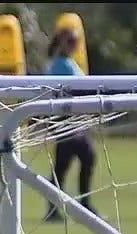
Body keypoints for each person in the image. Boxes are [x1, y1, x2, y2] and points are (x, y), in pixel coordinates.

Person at [43, 28, 97, 222]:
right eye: (70, 41)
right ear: (61, 42)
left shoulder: (68, 62)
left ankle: (72, 206)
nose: (74, 44)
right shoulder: (59, 65)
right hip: (67, 122)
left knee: (68, 164)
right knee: (77, 160)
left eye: (76, 41)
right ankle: (81, 205)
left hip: (75, 122)